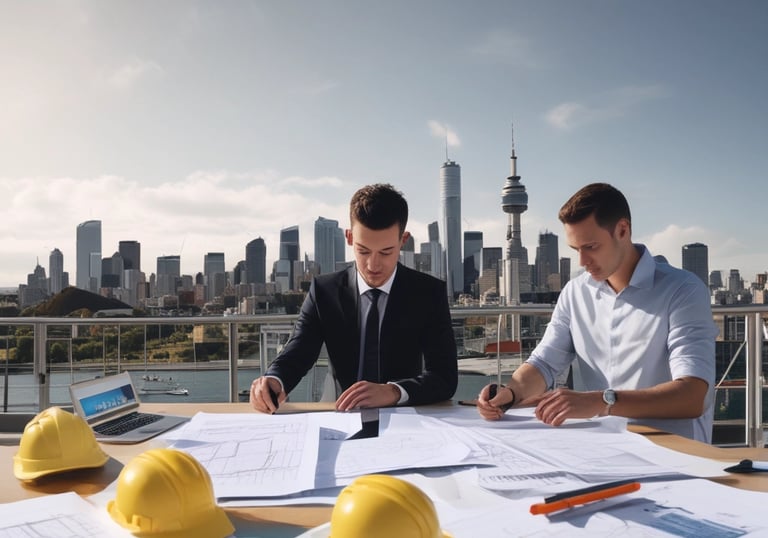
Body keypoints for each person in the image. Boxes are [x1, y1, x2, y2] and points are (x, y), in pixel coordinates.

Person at [478, 182, 718, 442]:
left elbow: (693, 396)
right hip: (603, 446)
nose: (582, 261)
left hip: (673, 449)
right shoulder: (575, 292)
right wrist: (510, 393)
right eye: (576, 250)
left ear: (623, 230)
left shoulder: (683, 290)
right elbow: (544, 363)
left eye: (591, 247)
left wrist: (603, 401)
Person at [251, 183, 458, 413]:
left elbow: (444, 377)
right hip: (342, 414)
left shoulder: (429, 293)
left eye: (386, 252)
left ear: (403, 240)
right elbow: (299, 351)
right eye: (363, 250)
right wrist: (274, 379)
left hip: (407, 416)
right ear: (349, 237)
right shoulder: (324, 291)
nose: (373, 265)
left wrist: (393, 391)